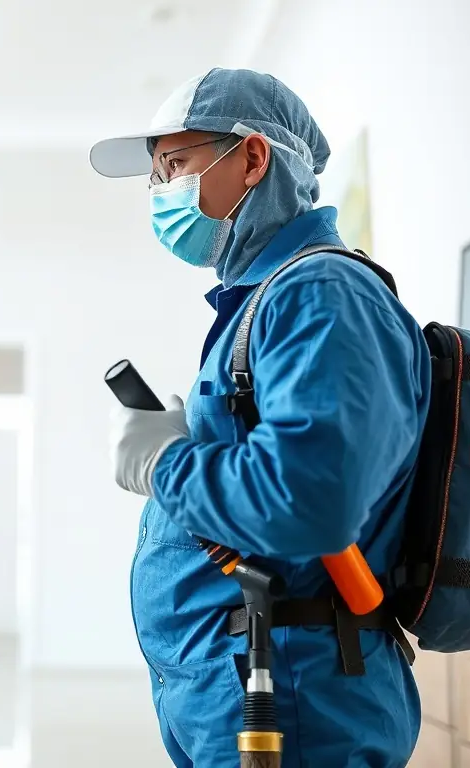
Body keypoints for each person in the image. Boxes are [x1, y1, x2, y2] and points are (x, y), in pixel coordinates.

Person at [92, 68, 430, 767]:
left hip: (296, 704)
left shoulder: (322, 294)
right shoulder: (269, 299)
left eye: (175, 165)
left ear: (252, 158)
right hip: (247, 690)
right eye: (154, 177)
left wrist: (167, 463)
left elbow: (310, 502)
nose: (160, 192)